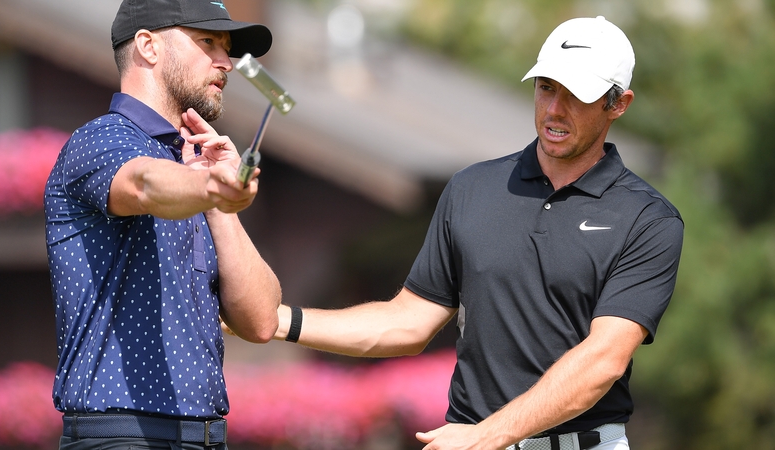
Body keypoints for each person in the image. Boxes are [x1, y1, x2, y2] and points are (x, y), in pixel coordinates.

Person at [269, 16, 683, 450]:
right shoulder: (471, 188)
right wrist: (278, 321)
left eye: (577, 95)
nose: (555, 109)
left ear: (618, 104)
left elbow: (603, 361)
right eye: (546, 87)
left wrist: (490, 435)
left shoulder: (647, 218)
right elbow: (408, 322)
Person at [44, 0, 281, 448]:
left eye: (227, 48)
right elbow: (143, 184)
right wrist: (212, 185)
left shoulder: (191, 167)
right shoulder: (101, 139)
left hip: (204, 436)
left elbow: (261, 321)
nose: (225, 62)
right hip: (119, 435)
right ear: (148, 47)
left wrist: (218, 203)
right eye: (207, 41)